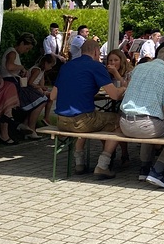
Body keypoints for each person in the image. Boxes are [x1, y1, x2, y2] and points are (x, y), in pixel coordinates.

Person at [51, 39, 125, 179]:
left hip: (61, 121)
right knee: (120, 121)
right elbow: (115, 95)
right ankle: (103, 165)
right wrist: (123, 88)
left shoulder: (66, 66)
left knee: (93, 118)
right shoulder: (96, 66)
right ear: (96, 52)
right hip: (82, 122)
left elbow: (52, 96)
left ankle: (79, 162)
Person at [119, 46, 164, 189]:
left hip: (124, 122)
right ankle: (158, 171)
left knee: (152, 125)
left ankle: (144, 169)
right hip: (145, 125)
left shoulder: (138, 68)